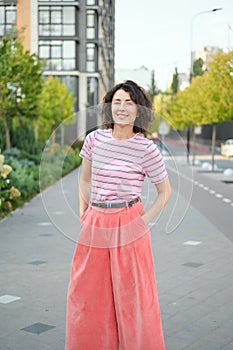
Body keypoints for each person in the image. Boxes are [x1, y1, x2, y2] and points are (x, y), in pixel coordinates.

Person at [66, 80, 172, 350]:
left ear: (139, 111)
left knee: (133, 298)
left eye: (129, 103)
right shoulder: (94, 139)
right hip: (95, 222)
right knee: (87, 294)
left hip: (129, 221)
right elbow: (85, 179)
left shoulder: (146, 149)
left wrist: (140, 223)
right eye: (117, 102)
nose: (122, 108)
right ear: (109, 107)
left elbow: (165, 192)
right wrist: (84, 213)